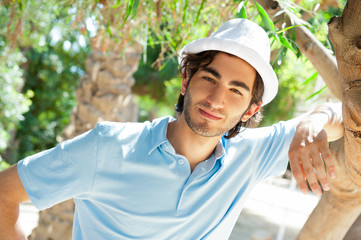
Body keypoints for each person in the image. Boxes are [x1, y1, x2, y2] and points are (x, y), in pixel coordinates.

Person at [0, 18, 343, 240]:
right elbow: (4, 193)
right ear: (185, 81)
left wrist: (314, 120)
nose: (216, 99)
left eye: (236, 91)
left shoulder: (252, 155)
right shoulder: (109, 146)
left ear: (250, 110)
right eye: (209, 78)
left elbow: (348, 114)